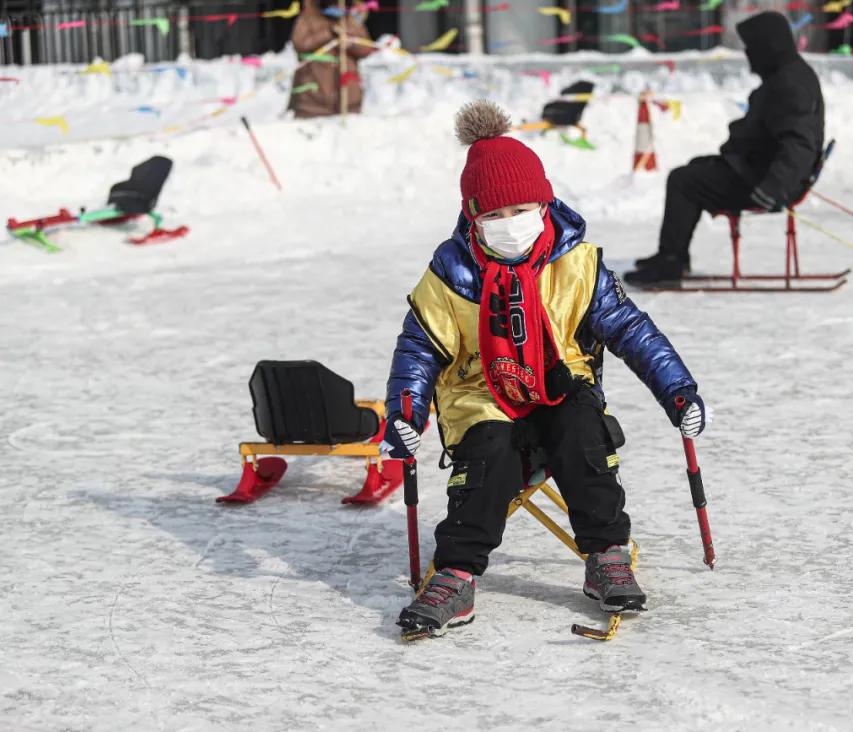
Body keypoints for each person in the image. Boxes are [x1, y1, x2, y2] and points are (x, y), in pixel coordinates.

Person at [382, 100, 708, 637]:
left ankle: (606, 554)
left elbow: (631, 329)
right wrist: (406, 414)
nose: (510, 225)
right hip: (481, 397)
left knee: (583, 434)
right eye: (493, 216)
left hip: (560, 388)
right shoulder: (449, 274)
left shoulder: (579, 263)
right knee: (486, 455)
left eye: (521, 210)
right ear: (472, 216)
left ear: (544, 202)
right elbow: (417, 350)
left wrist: (679, 392)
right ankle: (456, 573)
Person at [625, 10, 825, 285]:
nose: (748, 55)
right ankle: (673, 255)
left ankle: (671, 262)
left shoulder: (789, 83)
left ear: (767, 47)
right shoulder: (787, 76)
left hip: (764, 181)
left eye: (752, 48)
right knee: (694, 169)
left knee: (683, 181)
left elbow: (798, 143)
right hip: (756, 170)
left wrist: (774, 189)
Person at [287, 0, 374, 119]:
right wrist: (329, 33)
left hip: (347, 100)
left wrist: (351, 43)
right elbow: (300, 44)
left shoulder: (351, 21)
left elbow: (366, 49)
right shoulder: (308, 18)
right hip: (312, 101)